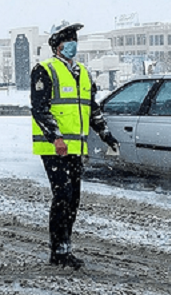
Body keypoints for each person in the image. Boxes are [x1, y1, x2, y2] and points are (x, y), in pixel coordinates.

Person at [31, 22, 120, 270]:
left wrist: (107, 136)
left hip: (76, 148)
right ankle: (58, 251)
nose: (73, 45)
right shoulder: (44, 70)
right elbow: (40, 109)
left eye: (75, 41)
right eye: (68, 41)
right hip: (53, 147)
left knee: (73, 199)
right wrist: (55, 137)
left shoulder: (83, 72)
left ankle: (65, 248)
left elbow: (92, 108)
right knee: (62, 196)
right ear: (57, 46)